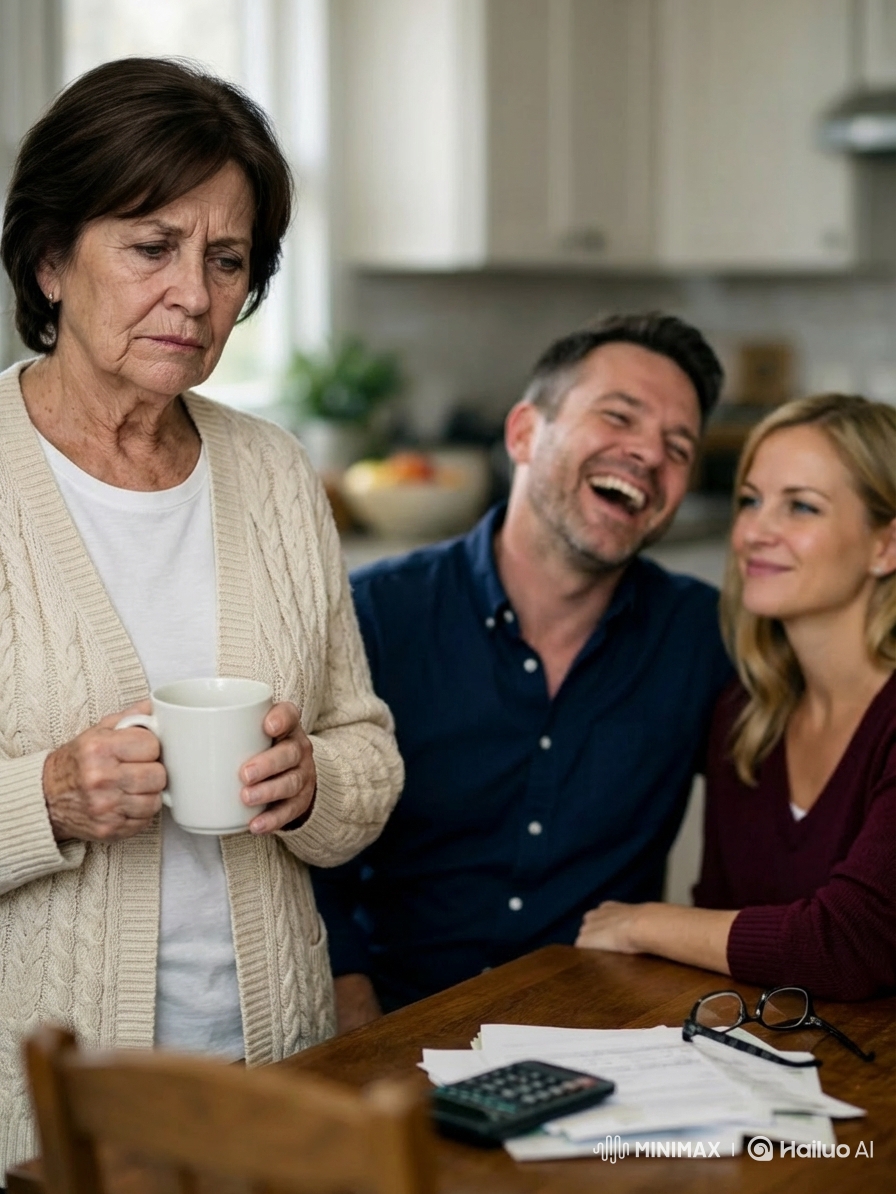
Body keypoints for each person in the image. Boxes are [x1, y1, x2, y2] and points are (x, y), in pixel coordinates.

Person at [0, 58, 403, 1175]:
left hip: (275, 1074)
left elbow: (367, 749)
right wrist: (47, 797)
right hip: (51, 1119)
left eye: (227, 260)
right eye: (152, 246)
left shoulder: (274, 472)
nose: (193, 293)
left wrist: (312, 782)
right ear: (50, 259)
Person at [312, 314, 735, 1030]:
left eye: (678, 447)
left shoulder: (703, 638)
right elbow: (302, 855)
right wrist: (360, 1030)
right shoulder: (375, 614)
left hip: (604, 1042)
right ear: (523, 435)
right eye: (618, 417)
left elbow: (786, 823)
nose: (647, 454)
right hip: (393, 1027)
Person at [576, 393, 896, 1002]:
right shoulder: (744, 716)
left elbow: (851, 943)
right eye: (750, 500)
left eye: (801, 506)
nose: (754, 533)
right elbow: (721, 928)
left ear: (886, 546)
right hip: (777, 1052)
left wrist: (644, 923)